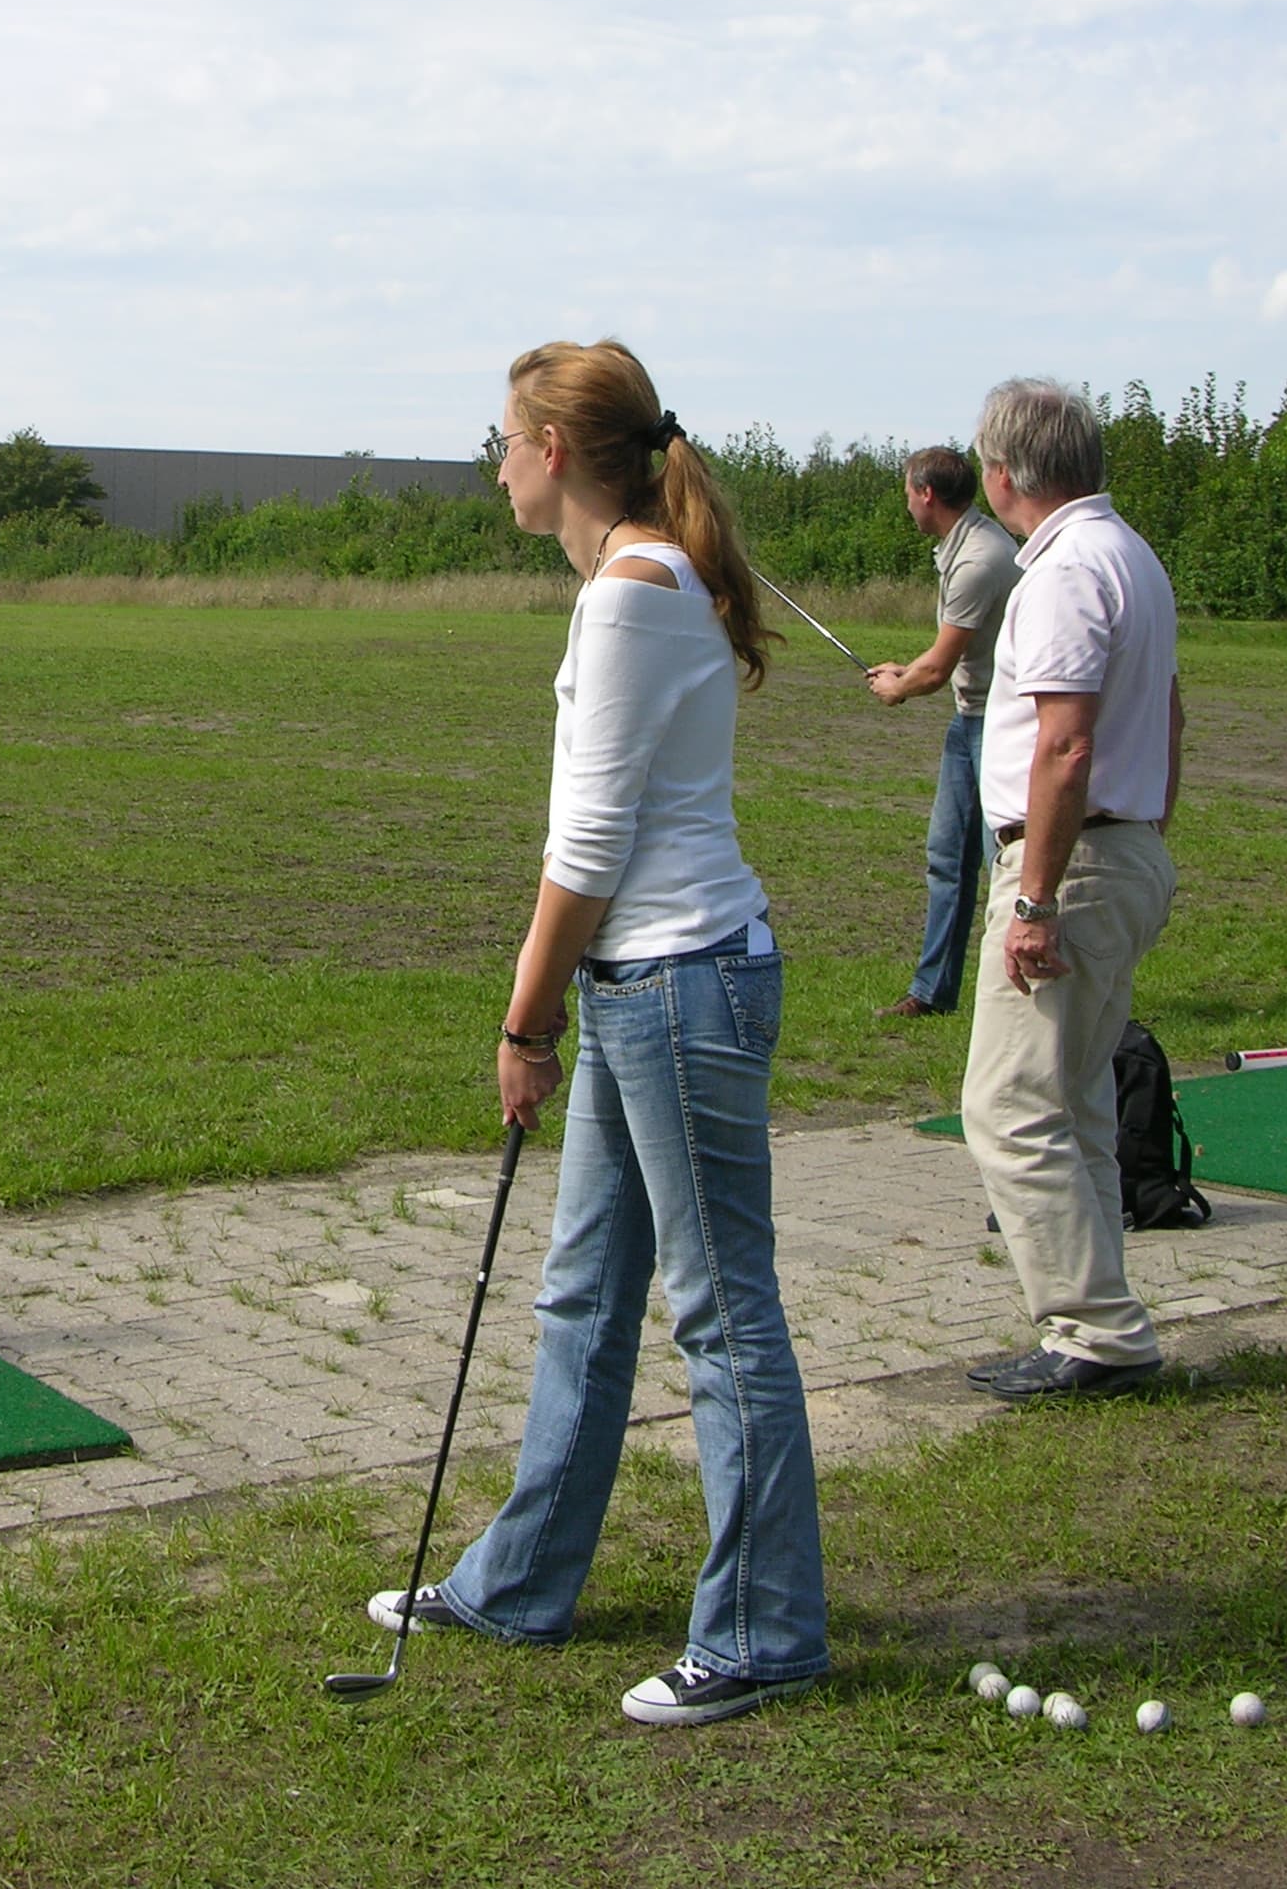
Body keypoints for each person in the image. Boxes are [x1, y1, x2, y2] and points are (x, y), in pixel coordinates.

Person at [365, 338, 828, 1727]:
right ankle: (521, 1583)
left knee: (721, 1316)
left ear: (555, 450)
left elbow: (589, 849)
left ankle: (762, 1633)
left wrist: (523, 1019)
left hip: (680, 984)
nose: (495, 460)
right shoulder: (635, 584)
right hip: (655, 987)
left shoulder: (629, 597)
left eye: (504, 436)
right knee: (583, 1293)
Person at [959, 379, 1183, 1404]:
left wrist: (1039, 899)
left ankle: (1094, 1331)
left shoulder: (1061, 572)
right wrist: (1145, 827)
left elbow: (1065, 740)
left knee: (1008, 1106)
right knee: (1078, 1102)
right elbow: (1170, 715)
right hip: (1121, 847)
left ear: (1005, 476)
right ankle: (1105, 1320)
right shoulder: (1131, 554)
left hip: (1073, 860)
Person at [865, 447, 1020, 1020]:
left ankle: (1012, 997)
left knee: (1006, 865)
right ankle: (934, 994)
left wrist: (900, 687)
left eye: (908, 491)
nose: (906, 502)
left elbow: (937, 669)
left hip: (1000, 725)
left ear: (927, 493)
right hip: (972, 719)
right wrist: (905, 671)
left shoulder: (979, 560)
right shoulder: (966, 546)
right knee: (948, 857)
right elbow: (947, 656)